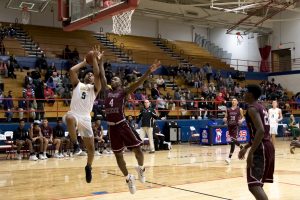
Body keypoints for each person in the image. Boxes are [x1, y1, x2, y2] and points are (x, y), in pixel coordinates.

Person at [101, 59, 161, 194]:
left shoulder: (123, 92)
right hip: (112, 127)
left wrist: (148, 72)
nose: (114, 80)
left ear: (120, 83)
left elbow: (138, 83)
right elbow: (102, 76)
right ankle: (128, 178)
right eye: (113, 79)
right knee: (118, 155)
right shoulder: (107, 92)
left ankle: (140, 168)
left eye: (117, 79)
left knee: (138, 150)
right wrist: (99, 62)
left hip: (122, 124)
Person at [63, 48, 102, 183]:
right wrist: (85, 61)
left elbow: (97, 75)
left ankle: (89, 167)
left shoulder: (95, 89)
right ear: (85, 76)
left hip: (85, 117)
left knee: (91, 148)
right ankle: (75, 145)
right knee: (69, 118)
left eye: (92, 75)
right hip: (74, 113)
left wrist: (95, 60)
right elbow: (72, 71)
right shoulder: (77, 85)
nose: (91, 75)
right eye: (89, 74)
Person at [238, 85, 275, 200]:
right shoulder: (261, 107)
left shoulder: (252, 108)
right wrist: (246, 147)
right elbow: (259, 132)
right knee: (257, 184)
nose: (244, 94)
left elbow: (261, 130)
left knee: (254, 186)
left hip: (261, 148)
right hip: (267, 146)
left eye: (246, 92)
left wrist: (250, 153)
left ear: (251, 94)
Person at [223, 98, 244, 164]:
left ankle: (229, 158)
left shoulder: (239, 109)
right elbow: (225, 117)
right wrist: (224, 119)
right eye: (232, 100)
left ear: (237, 102)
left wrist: (241, 120)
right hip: (230, 127)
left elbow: (243, 117)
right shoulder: (228, 109)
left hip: (236, 126)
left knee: (232, 141)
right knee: (233, 141)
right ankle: (241, 146)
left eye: (235, 100)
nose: (233, 101)